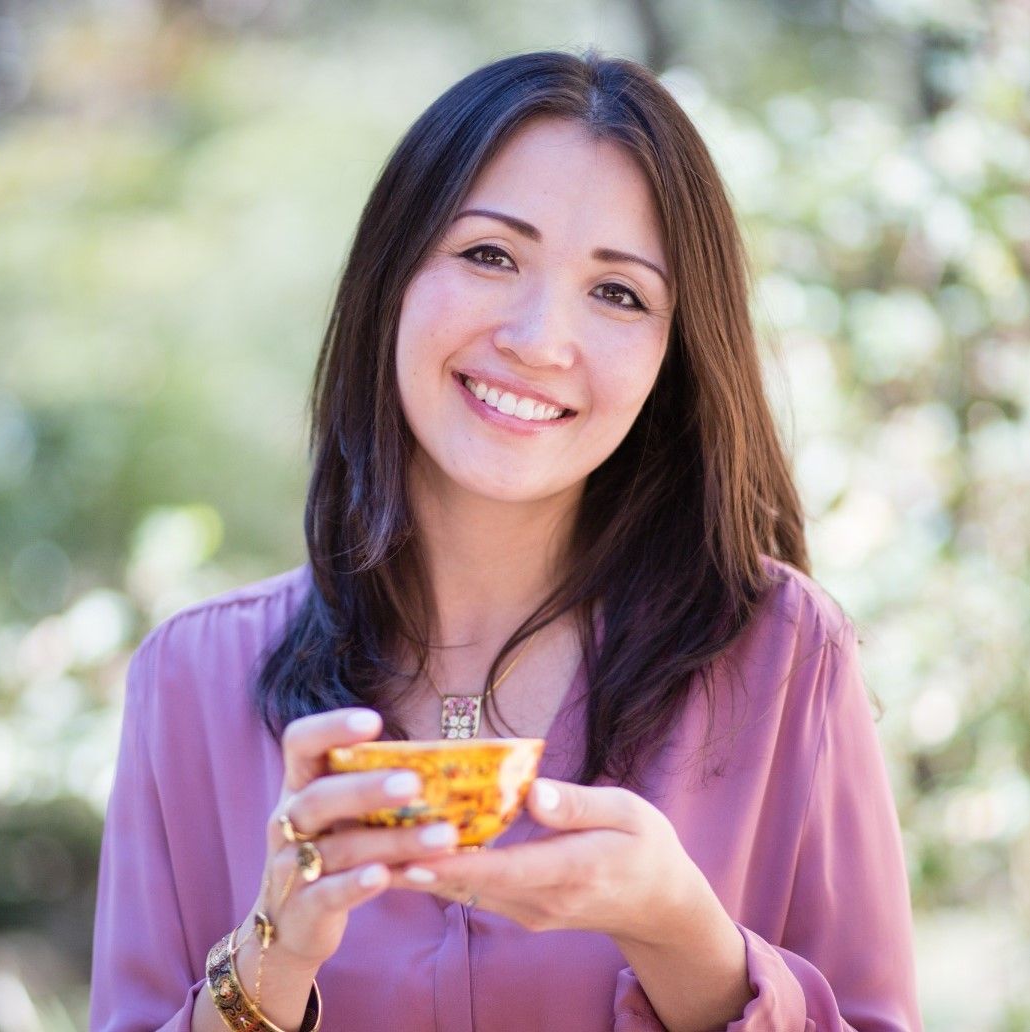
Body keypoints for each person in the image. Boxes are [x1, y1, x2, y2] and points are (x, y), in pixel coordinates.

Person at [89, 50, 921, 1032]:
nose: (538, 339)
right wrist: (270, 956)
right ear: (391, 276)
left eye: (618, 293)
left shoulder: (785, 654)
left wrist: (679, 933)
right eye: (489, 255)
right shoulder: (192, 678)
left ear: (673, 352)